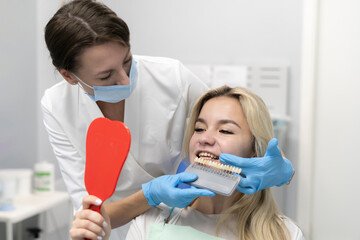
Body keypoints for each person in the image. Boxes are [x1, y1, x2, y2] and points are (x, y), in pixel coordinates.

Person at [42, 0, 294, 239]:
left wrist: (282, 168)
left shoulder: (172, 77)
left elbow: (231, 118)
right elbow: (92, 212)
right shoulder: (56, 107)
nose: (126, 80)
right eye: (106, 75)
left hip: (185, 216)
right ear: (69, 76)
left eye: (128, 61)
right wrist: (150, 196)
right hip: (122, 229)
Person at [71, 86, 303, 240]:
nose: (204, 138)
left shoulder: (284, 234)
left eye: (225, 130)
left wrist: (286, 171)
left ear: (254, 150)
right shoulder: (150, 222)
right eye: (199, 128)